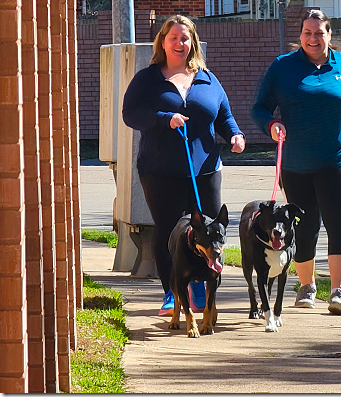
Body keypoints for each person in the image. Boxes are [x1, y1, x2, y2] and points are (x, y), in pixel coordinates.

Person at [250, 9, 341, 315]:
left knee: (340, 224)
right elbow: (259, 108)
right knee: (303, 228)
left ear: (330, 35)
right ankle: (307, 287)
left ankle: (338, 292)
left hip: (338, 160)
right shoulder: (283, 67)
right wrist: (271, 124)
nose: (313, 38)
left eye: (319, 33)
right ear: (300, 36)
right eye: (307, 33)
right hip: (295, 164)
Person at [123, 15, 245, 316]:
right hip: (160, 170)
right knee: (169, 232)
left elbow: (224, 116)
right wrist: (165, 120)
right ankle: (172, 292)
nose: (180, 43)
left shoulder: (207, 78)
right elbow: (130, 115)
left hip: (205, 170)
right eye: (174, 37)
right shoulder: (147, 79)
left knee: (210, 230)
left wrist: (235, 135)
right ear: (162, 42)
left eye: (185, 38)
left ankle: (200, 288)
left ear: (193, 43)